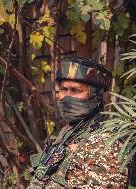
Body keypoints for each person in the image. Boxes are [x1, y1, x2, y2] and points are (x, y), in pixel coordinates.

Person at [27, 56, 129, 188]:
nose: (67, 97)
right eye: (63, 90)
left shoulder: (106, 143)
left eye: (76, 90)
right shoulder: (70, 133)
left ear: (96, 96)